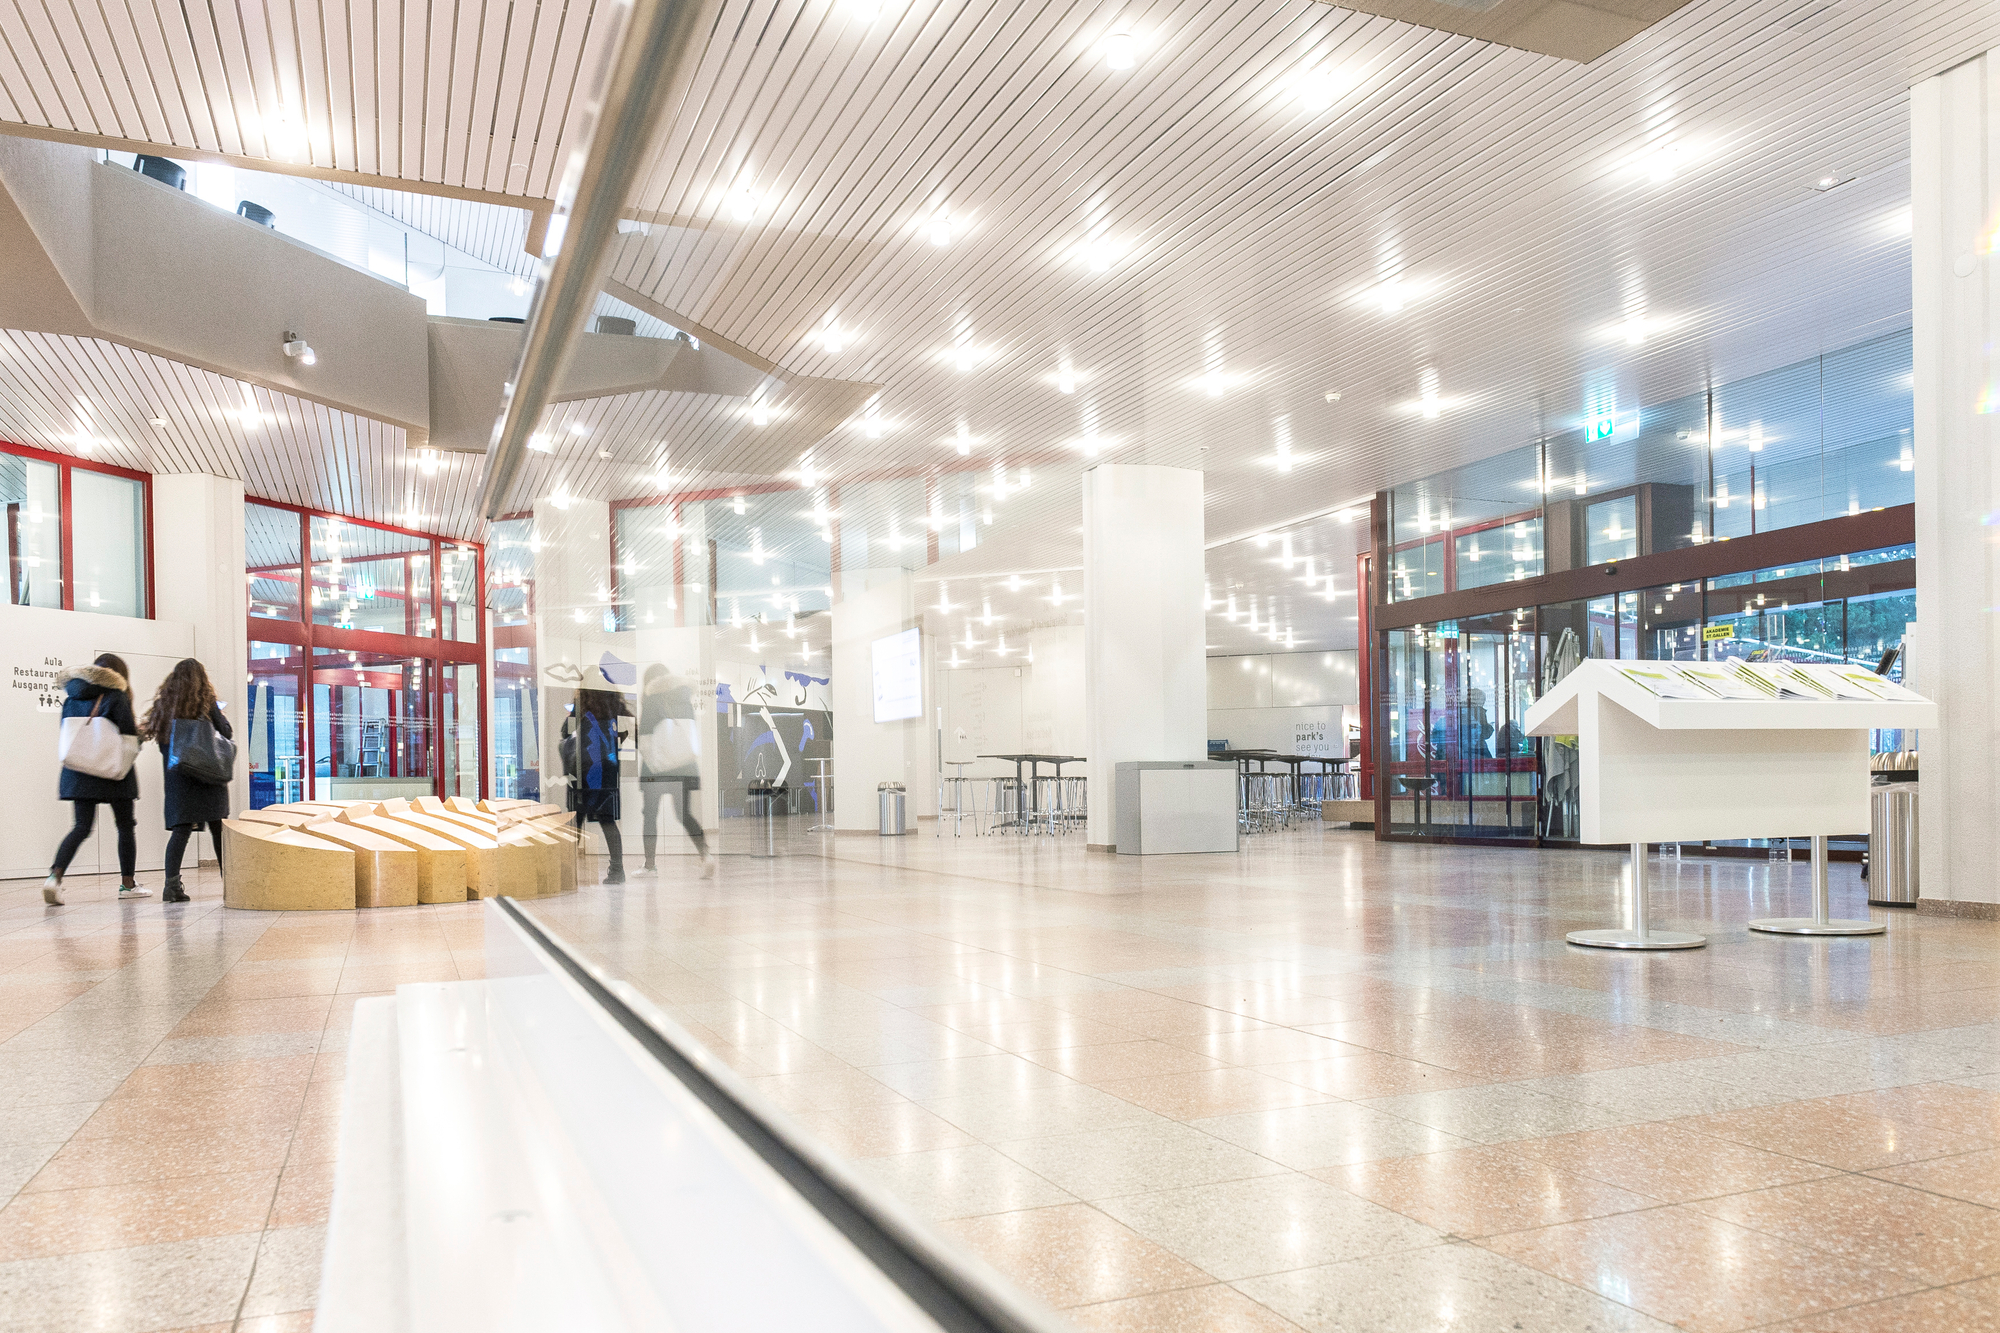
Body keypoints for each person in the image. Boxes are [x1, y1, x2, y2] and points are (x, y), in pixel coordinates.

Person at [45, 654, 144, 904]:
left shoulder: (71, 697)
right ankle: (128, 884)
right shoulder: (117, 696)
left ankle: (54, 878)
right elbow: (128, 736)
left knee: (81, 827)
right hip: (113, 773)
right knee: (124, 826)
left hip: (78, 772)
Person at [142, 658, 232, 905]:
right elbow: (226, 733)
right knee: (218, 831)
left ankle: (171, 886)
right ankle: (231, 884)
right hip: (209, 777)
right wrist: (219, 715)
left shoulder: (165, 706)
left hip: (179, 780)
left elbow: (161, 744)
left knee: (181, 832)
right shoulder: (207, 704)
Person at [637, 665, 714, 878]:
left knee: (650, 816)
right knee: (684, 814)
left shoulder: (652, 698)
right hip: (684, 767)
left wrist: (655, 764)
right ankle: (705, 854)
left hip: (657, 769)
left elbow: (644, 740)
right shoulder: (684, 697)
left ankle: (650, 865)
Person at [561, 676, 630, 884]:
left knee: (577, 819)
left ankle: (567, 872)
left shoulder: (581, 706)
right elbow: (626, 732)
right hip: (607, 771)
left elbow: (565, 731)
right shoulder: (615, 705)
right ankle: (617, 870)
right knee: (607, 821)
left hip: (583, 770)